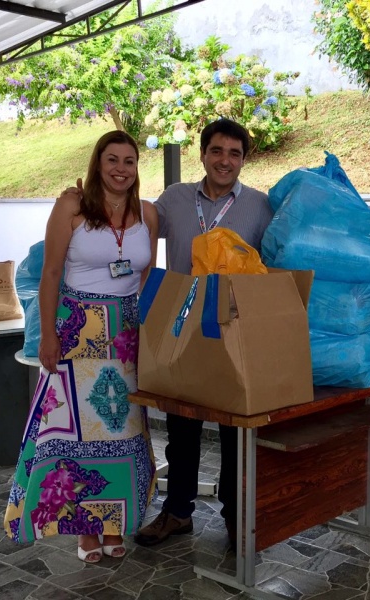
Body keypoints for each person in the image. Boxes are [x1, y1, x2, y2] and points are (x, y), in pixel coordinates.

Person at [4, 131, 159, 563]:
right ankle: (84, 529)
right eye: (112, 159)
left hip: (127, 332)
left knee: (123, 430)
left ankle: (113, 521)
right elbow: (51, 273)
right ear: (98, 163)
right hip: (77, 330)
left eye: (129, 161)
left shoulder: (148, 213)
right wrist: (49, 334)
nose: (121, 169)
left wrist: (149, 332)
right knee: (71, 433)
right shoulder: (71, 206)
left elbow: (147, 277)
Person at [134, 118, 274, 548]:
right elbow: (131, 225)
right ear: (203, 154)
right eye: (217, 151)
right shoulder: (174, 199)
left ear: (243, 161)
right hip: (181, 325)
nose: (225, 161)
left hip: (233, 327)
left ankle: (236, 517)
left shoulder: (260, 206)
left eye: (235, 154)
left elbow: (281, 255)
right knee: (181, 425)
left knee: (235, 429)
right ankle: (177, 512)